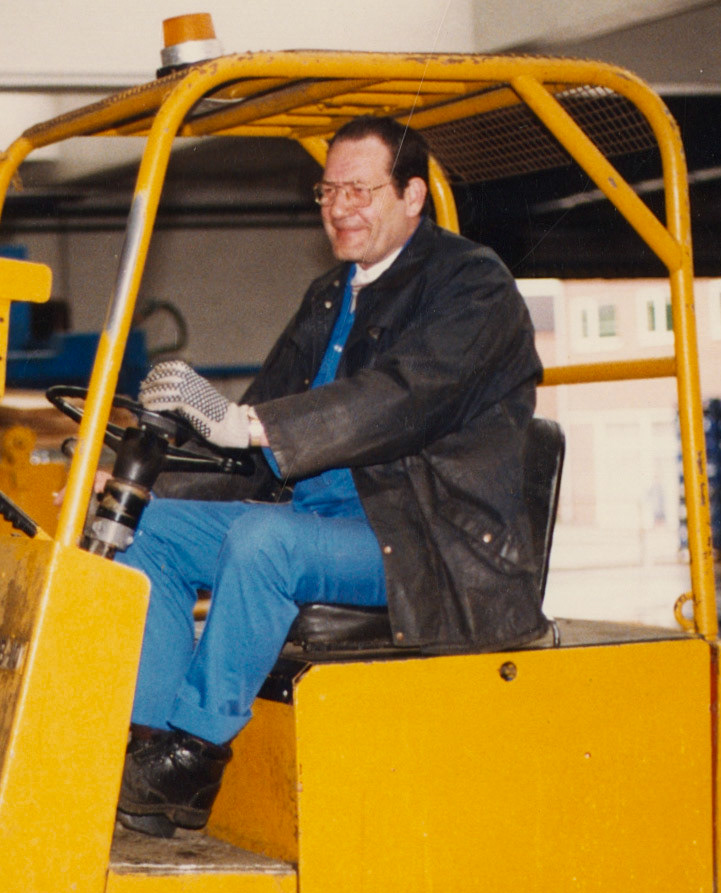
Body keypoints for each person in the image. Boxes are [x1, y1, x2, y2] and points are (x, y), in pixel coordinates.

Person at [114, 115, 547, 838]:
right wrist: (136, 487)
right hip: (319, 521)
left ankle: (197, 749)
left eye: (359, 189)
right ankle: (153, 749)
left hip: (425, 536)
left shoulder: (473, 287)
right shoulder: (330, 294)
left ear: (413, 196)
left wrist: (253, 425)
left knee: (264, 542)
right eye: (327, 191)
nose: (339, 207)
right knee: (149, 530)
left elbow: (406, 397)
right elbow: (256, 428)